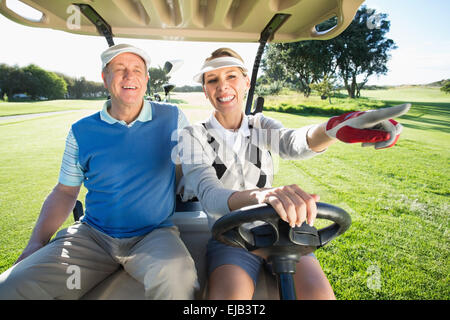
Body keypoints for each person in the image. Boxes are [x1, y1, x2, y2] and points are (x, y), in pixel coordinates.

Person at [178, 48, 409, 300]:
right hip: (231, 237)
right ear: (205, 90)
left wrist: (332, 130)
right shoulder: (193, 135)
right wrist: (263, 196)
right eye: (212, 80)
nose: (223, 86)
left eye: (231, 76)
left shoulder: (261, 125)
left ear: (246, 82)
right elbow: (211, 197)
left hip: (282, 229)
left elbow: (295, 141)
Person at [0, 43, 198, 300]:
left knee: (177, 279)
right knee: (12, 285)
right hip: (93, 237)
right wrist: (36, 243)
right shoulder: (81, 131)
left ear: (146, 79)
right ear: (105, 78)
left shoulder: (173, 118)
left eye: (137, 70)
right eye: (120, 69)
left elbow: (192, 169)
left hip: (154, 234)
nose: (129, 76)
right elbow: (64, 192)